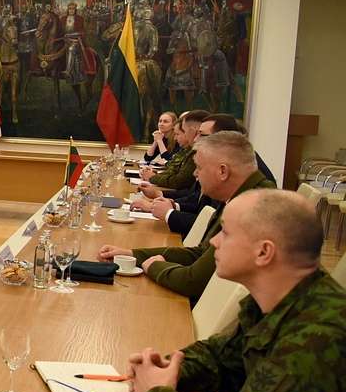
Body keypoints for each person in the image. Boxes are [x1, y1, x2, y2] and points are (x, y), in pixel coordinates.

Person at [127, 189, 345, 392]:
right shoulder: (284, 298)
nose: (214, 241)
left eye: (226, 233)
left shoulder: (316, 338)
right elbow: (222, 358)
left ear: (263, 253)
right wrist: (167, 368)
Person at [99, 131, 275, 300]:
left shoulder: (253, 206)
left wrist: (154, 266)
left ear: (223, 171)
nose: (195, 174)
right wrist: (132, 254)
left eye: (199, 167)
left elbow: (193, 281)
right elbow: (200, 253)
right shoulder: (240, 195)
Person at [139, 114, 276, 237]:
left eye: (201, 134)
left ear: (222, 137)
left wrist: (169, 213)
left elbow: (209, 228)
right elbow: (198, 201)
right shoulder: (216, 161)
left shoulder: (245, 180)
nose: (195, 139)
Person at [140, 109, 208, 190]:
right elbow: (148, 158)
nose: (161, 124)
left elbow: (178, 180)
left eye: (165, 121)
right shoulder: (183, 147)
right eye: (160, 121)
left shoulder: (192, 151)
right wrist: (156, 141)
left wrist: (153, 177)